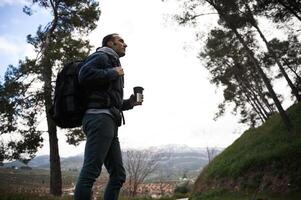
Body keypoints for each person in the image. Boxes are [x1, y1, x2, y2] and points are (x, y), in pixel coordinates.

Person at [74, 33, 143, 200]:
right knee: (91, 172)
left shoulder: (112, 62)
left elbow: (111, 100)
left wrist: (129, 103)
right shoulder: (102, 56)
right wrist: (113, 72)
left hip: (110, 121)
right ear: (110, 43)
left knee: (118, 175)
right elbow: (84, 75)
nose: (125, 44)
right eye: (121, 41)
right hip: (99, 119)